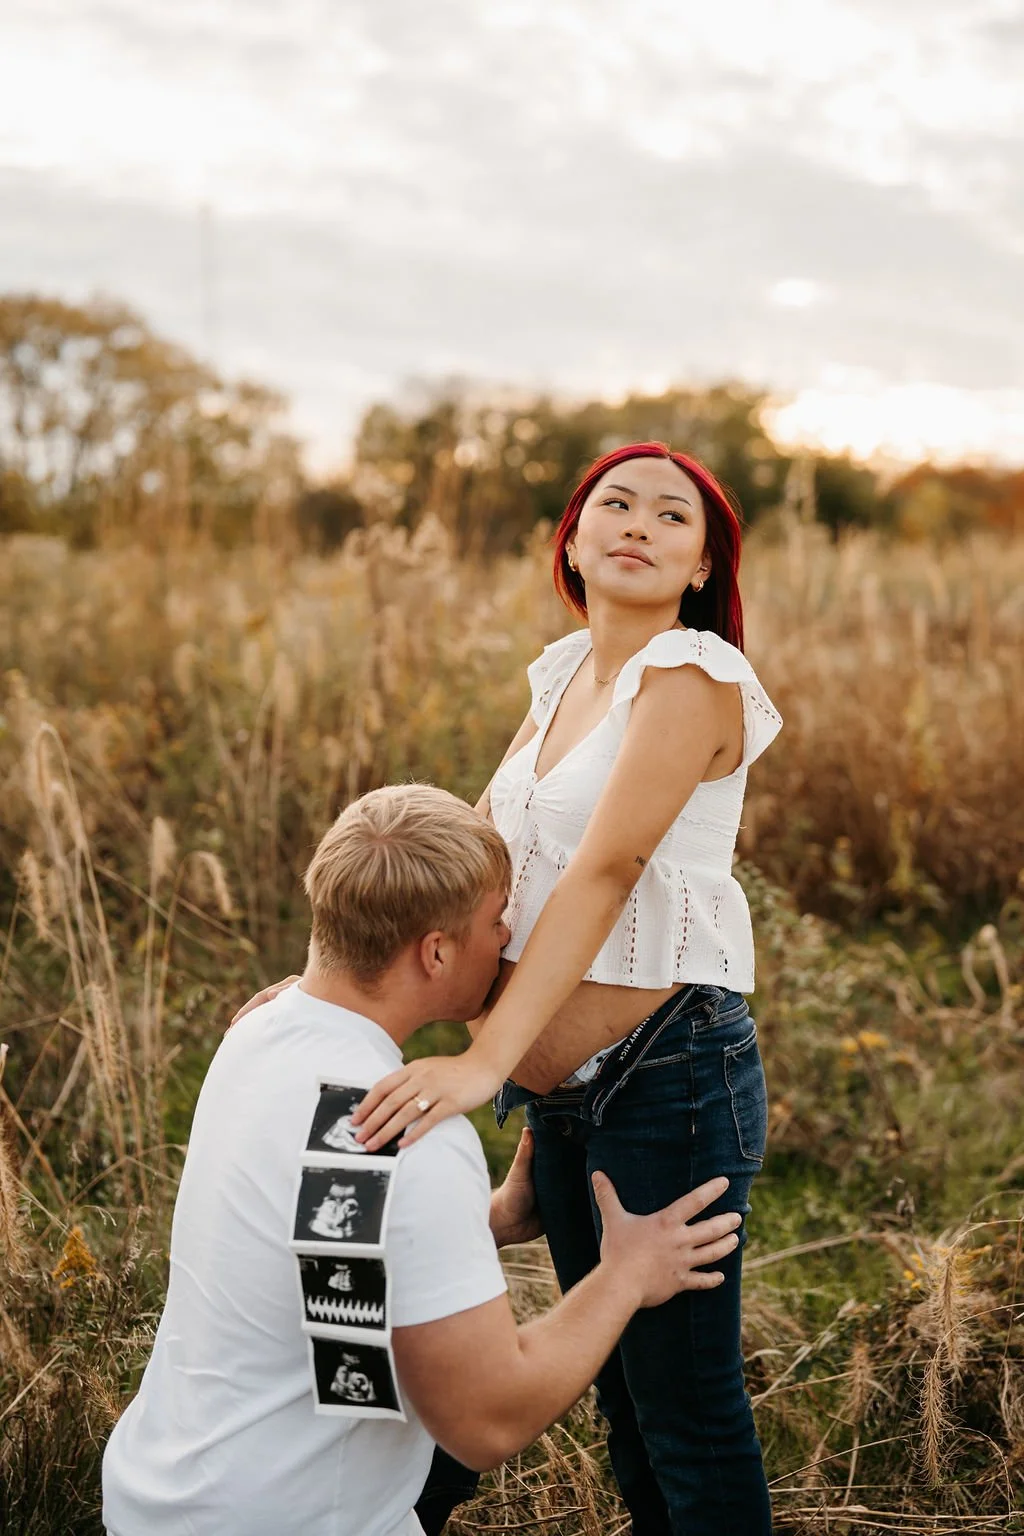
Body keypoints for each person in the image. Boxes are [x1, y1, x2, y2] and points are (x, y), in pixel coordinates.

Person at [103, 784, 743, 1536]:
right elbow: (487, 1421)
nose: (509, 936)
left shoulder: (258, 1033)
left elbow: (319, 1244)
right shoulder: (414, 1134)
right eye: (496, 918)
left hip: (161, 1501)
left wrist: (489, 1224)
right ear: (435, 951)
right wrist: (626, 1275)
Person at [349, 443, 785, 1534]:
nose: (638, 523)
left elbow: (605, 867)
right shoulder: (560, 676)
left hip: (667, 1080)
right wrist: (333, 997)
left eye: (671, 516)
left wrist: (486, 1057)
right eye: (615, 505)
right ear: (574, 540)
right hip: (571, 1099)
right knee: (622, 1393)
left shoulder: (692, 673)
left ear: (700, 565)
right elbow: (484, 866)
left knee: (684, 1406)